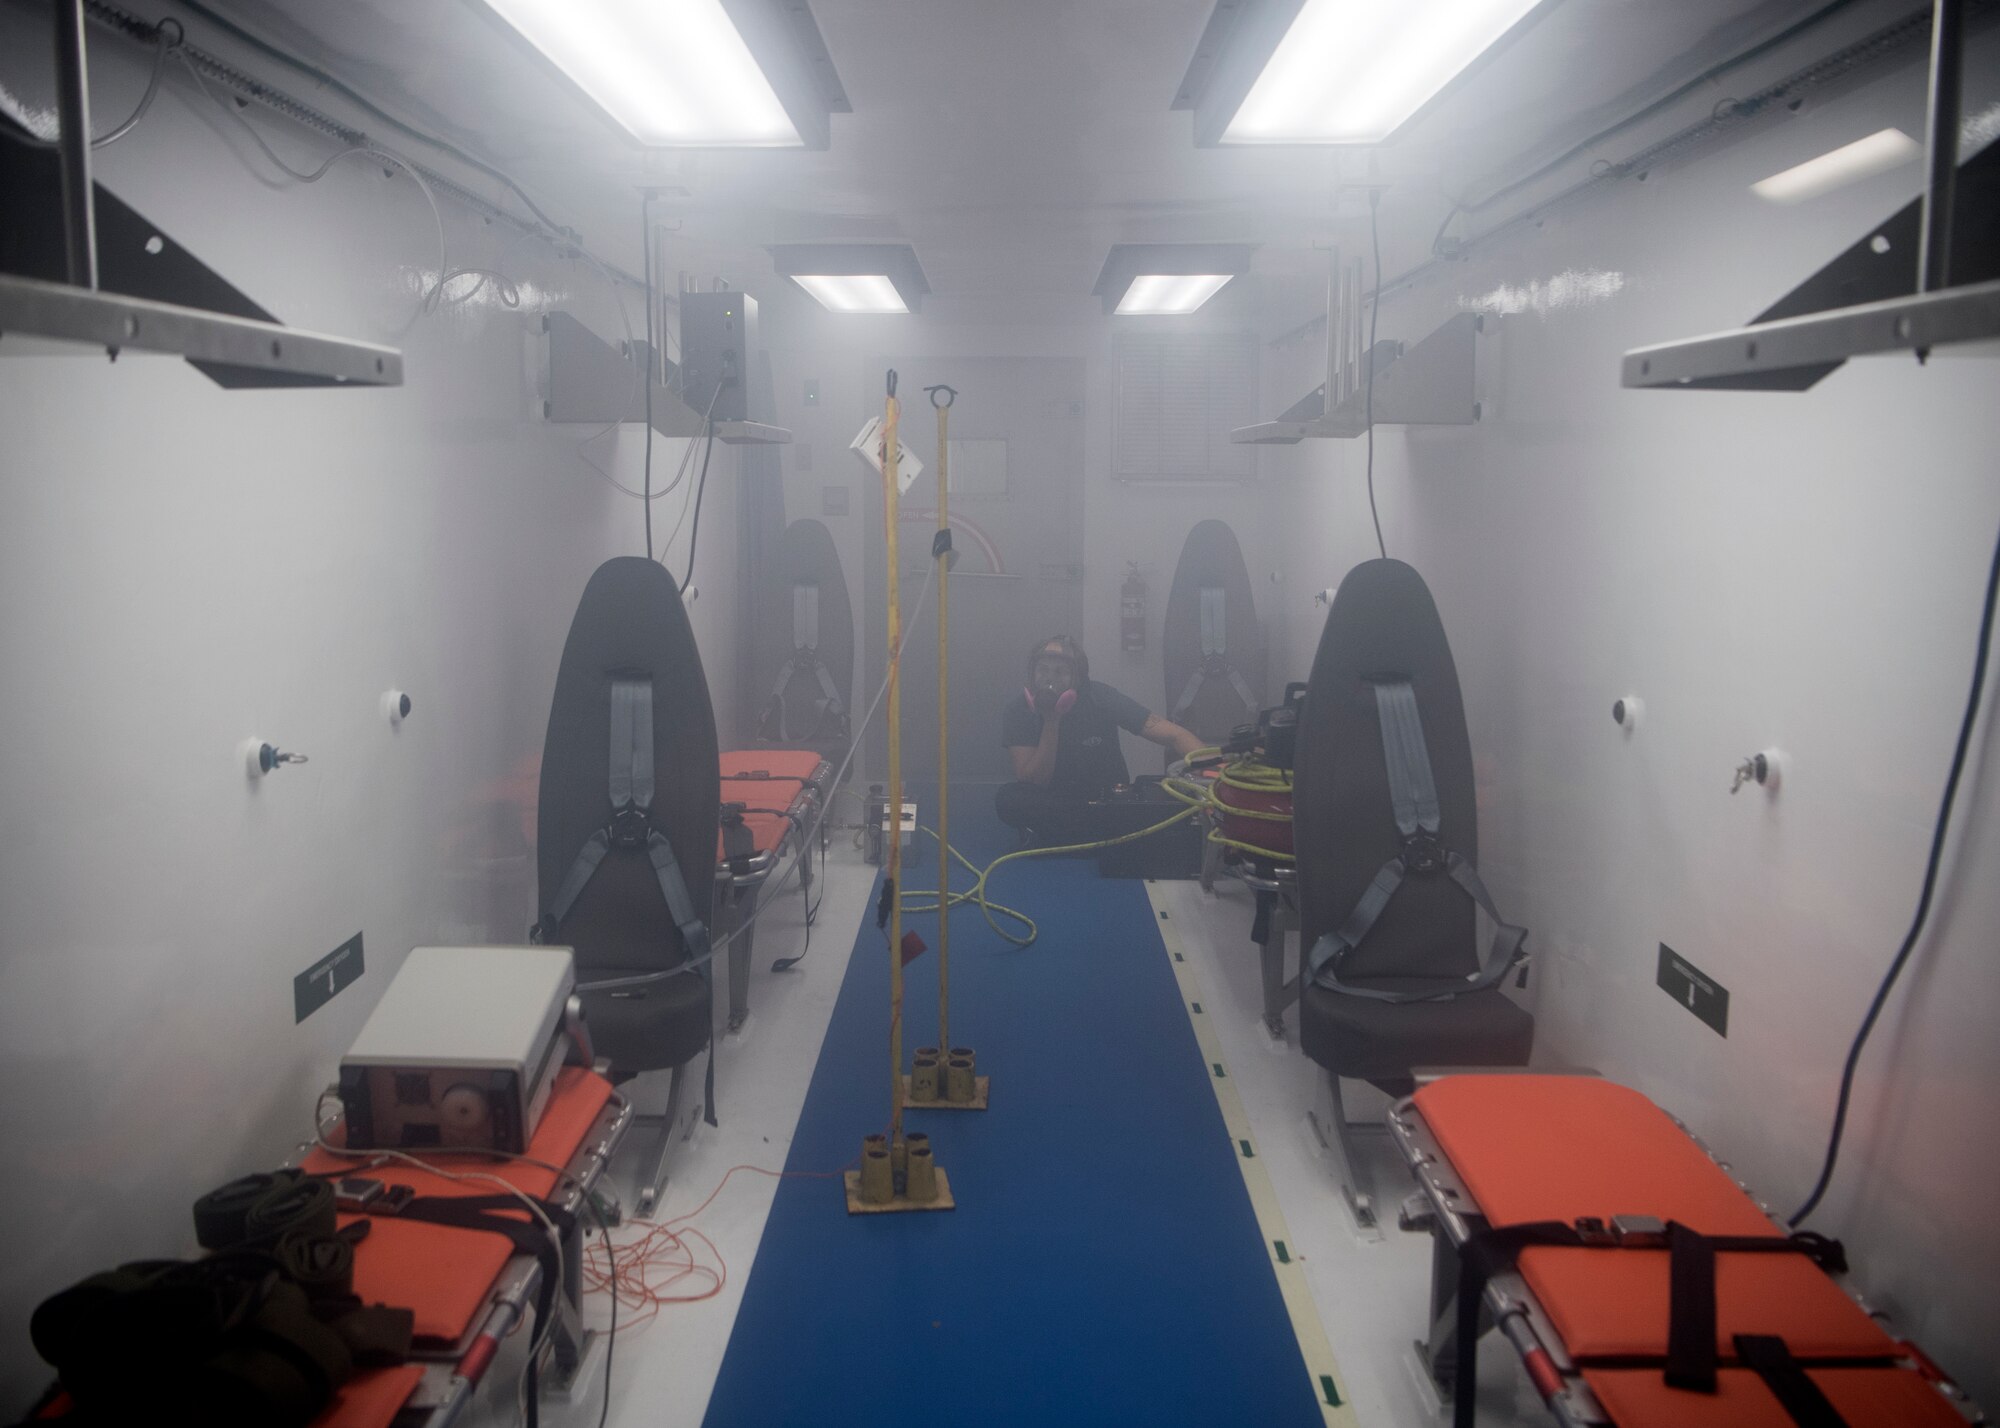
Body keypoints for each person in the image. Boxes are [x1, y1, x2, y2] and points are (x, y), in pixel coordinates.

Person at [997, 635, 1204, 844]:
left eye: (1060, 672)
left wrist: (1215, 776)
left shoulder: (1101, 697)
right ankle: (1100, 838)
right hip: (1053, 799)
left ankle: (1061, 836)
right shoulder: (1017, 710)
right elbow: (1034, 780)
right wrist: (1052, 721)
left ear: (1076, 677)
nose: (1050, 679)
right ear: (1032, 674)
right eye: (1043, 670)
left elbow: (1175, 735)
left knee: (1165, 797)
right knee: (1009, 799)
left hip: (1106, 799)